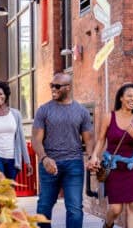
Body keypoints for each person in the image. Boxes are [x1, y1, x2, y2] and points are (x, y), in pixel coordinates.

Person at [32, 73, 94, 228]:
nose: (53, 88)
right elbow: (36, 140)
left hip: (73, 165)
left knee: (74, 209)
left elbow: (89, 139)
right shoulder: (43, 110)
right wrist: (44, 158)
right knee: (44, 207)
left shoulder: (81, 111)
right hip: (49, 164)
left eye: (57, 86)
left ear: (68, 87)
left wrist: (92, 157)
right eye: (51, 85)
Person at [87, 83, 133, 228]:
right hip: (113, 167)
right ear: (121, 98)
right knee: (115, 209)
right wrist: (94, 155)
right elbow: (101, 140)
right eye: (129, 96)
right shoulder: (109, 117)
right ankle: (107, 224)